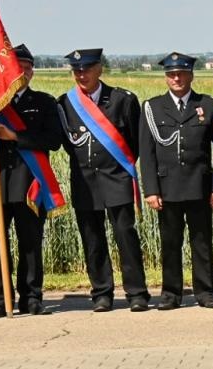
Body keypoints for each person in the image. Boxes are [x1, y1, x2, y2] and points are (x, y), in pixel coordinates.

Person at [57, 48, 150, 312]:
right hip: (85, 182)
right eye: (77, 71)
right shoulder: (65, 104)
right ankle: (102, 293)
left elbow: (134, 144)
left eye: (86, 69)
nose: (81, 75)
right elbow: (68, 143)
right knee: (93, 239)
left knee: (125, 236)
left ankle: (137, 293)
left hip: (116, 178)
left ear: (99, 69)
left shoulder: (122, 100)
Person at [138, 53, 213, 309]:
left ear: (191, 75)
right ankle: (171, 294)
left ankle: (206, 292)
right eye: (172, 74)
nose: (177, 78)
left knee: (202, 242)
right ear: (166, 77)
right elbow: (147, 153)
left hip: (199, 186)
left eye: (182, 73)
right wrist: (151, 189)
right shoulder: (152, 108)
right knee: (171, 243)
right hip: (167, 188)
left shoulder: (207, 105)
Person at [0, 44, 63, 318]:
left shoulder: (44, 103)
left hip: (30, 183)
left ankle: (31, 296)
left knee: (30, 241)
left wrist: (15, 137)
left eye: (27, 68)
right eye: (17, 67)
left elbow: (53, 141)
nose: (23, 72)